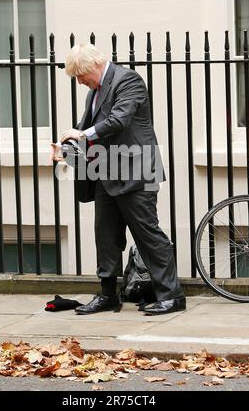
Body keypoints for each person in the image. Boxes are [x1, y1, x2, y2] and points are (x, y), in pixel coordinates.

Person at [50, 43, 185, 316]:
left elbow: (118, 121)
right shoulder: (94, 93)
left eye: (80, 75)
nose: (79, 82)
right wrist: (66, 151)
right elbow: (87, 130)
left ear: (93, 66)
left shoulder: (129, 81)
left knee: (148, 235)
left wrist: (82, 135)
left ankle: (172, 296)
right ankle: (108, 295)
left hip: (136, 174)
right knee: (106, 238)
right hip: (105, 174)